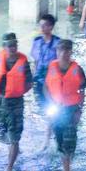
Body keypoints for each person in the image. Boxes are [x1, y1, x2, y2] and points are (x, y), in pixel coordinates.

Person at [0, 33, 33, 171]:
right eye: (10, 45)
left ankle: (9, 167)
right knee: (2, 130)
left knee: (14, 135)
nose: (13, 48)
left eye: (15, 45)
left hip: (16, 102)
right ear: (4, 47)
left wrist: (17, 91)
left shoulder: (23, 61)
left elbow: (29, 82)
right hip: (0, 101)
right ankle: (14, 150)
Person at [45, 39, 86, 171]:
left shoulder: (77, 69)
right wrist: (49, 103)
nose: (63, 53)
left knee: (68, 140)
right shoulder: (51, 67)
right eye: (61, 50)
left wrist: (79, 110)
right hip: (56, 109)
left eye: (67, 50)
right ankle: (67, 165)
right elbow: (45, 87)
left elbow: (82, 90)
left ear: (70, 52)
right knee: (59, 139)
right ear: (57, 52)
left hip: (71, 110)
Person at [30, 13, 62, 148]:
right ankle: (53, 130)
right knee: (45, 109)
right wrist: (32, 79)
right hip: (39, 81)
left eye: (45, 26)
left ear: (51, 27)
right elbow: (35, 62)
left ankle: (48, 138)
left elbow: (61, 64)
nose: (42, 28)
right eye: (40, 25)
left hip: (52, 83)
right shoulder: (36, 41)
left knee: (52, 108)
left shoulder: (58, 43)